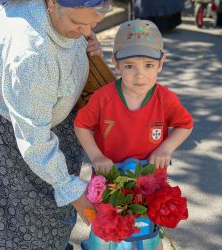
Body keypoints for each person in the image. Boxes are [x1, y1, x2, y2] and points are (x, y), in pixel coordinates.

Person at [0, 0, 112, 249]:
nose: (86, 31)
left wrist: (88, 44)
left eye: (93, 24)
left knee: (47, 216)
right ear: (52, 3)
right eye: (78, 23)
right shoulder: (30, 52)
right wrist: (71, 189)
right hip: (7, 128)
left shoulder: (65, 20)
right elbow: (34, 140)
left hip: (43, 117)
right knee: (18, 223)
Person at [74, 19, 194, 250]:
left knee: (148, 237)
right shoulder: (104, 97)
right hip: (111, 185)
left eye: (149, 65)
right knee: (105, 237)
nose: (140, 75)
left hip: (149, 188)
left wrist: (166, 148)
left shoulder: (165, 99)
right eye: (130, 66)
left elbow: (185, 124)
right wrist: (96, 156)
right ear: (115, 63)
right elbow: (82, 125)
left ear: (161, 63)